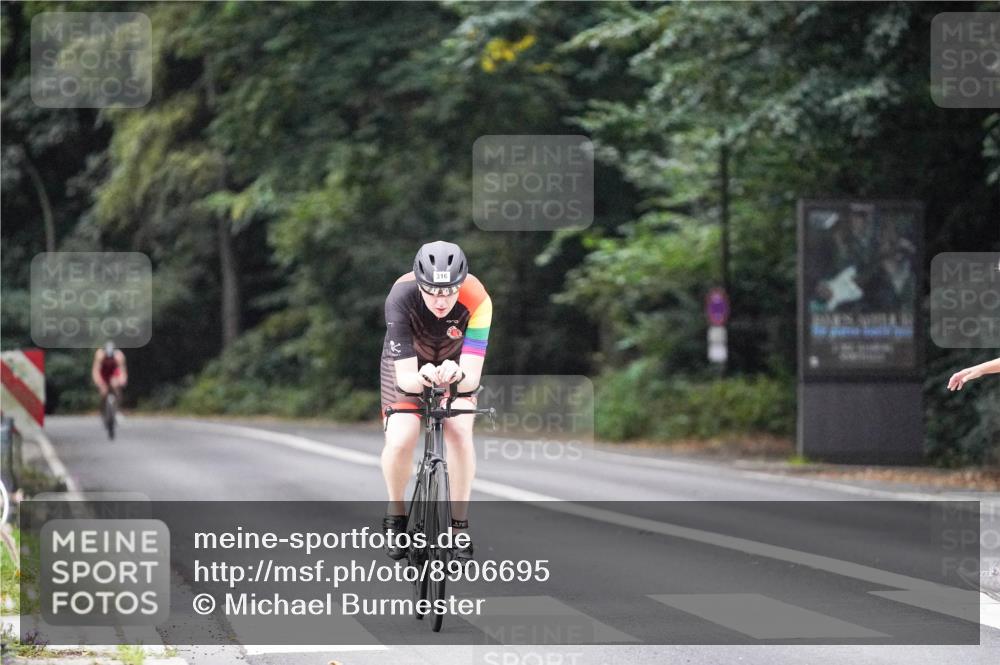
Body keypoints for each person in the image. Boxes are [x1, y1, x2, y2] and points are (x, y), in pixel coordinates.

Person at [380, 241, 491, 564]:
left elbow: (471, 379)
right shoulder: (400, 297)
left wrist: (455, 375)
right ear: (419, 282)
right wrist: (424, 375)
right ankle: (396, 512)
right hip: (408, 364)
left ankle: (459, 526)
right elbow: (405, 380)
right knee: (402, 438)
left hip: (455, 364)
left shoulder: (479, 299)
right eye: (431, 290)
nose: (441, 300)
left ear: (462, 283)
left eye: (449, 291)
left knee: (459, 430)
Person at [91, 341, 128, 408]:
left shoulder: (119, 356)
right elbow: (96, 370)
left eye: (111, 357)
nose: (109, 359)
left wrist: (122, 381)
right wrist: (98, 382)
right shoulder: (99, 355)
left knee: (116, 386)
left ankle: (118, 407)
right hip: (103, 372)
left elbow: (122, 371)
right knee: (103, 391)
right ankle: (103, 407)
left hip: (114, 371)